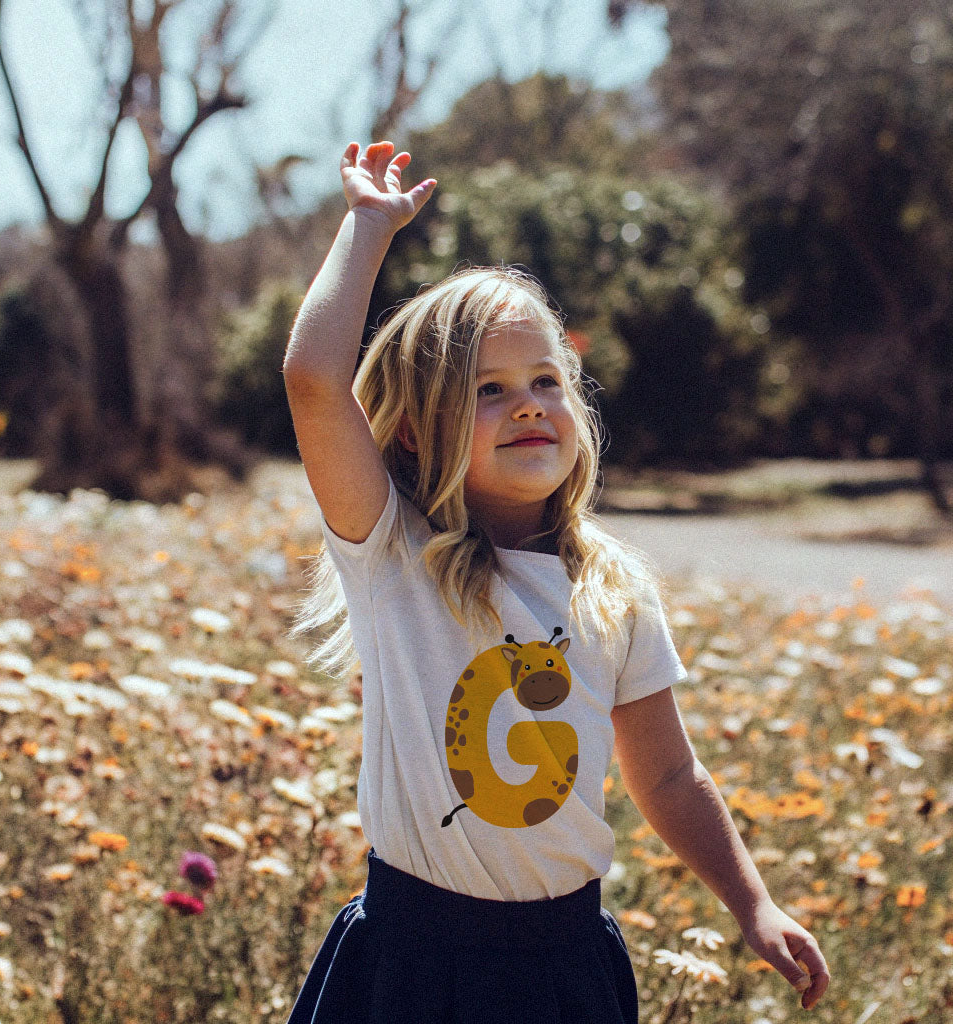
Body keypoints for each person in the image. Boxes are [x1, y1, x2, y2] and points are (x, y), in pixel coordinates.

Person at [281, 141, 830, 1024]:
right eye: (489, 390)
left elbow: (671, 776)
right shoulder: (393, 557)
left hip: (562, 966)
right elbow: (313, 382)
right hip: (410, 960)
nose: (530, 403)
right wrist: (369, 227)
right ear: (418, 430)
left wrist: (753, 903)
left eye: (546, 380)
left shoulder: (612, 590)